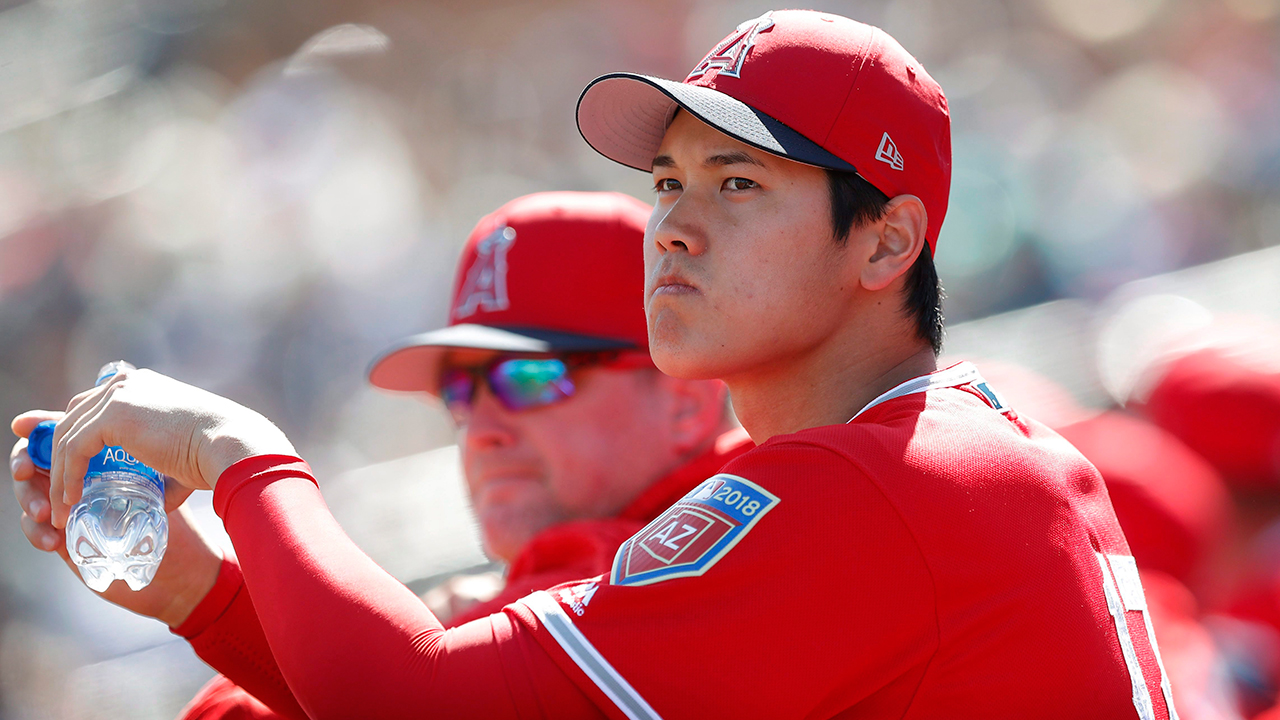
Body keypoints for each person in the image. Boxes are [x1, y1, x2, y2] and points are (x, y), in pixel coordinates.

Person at [11, 10, 1177, 719]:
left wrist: (238, 454)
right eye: (668, 183)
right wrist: (202, 594)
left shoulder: (885, 482)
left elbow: (420, 703)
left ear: (886, 239)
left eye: (736, 186)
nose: (671, 225)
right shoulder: (929, 454)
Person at [12, 192, 750, 719]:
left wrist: (236, 455)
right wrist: (195, 591)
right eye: (461, 392)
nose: (481, 427)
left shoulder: (734, 551)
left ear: (685, 400)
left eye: (530, 378)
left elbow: (399, 696)